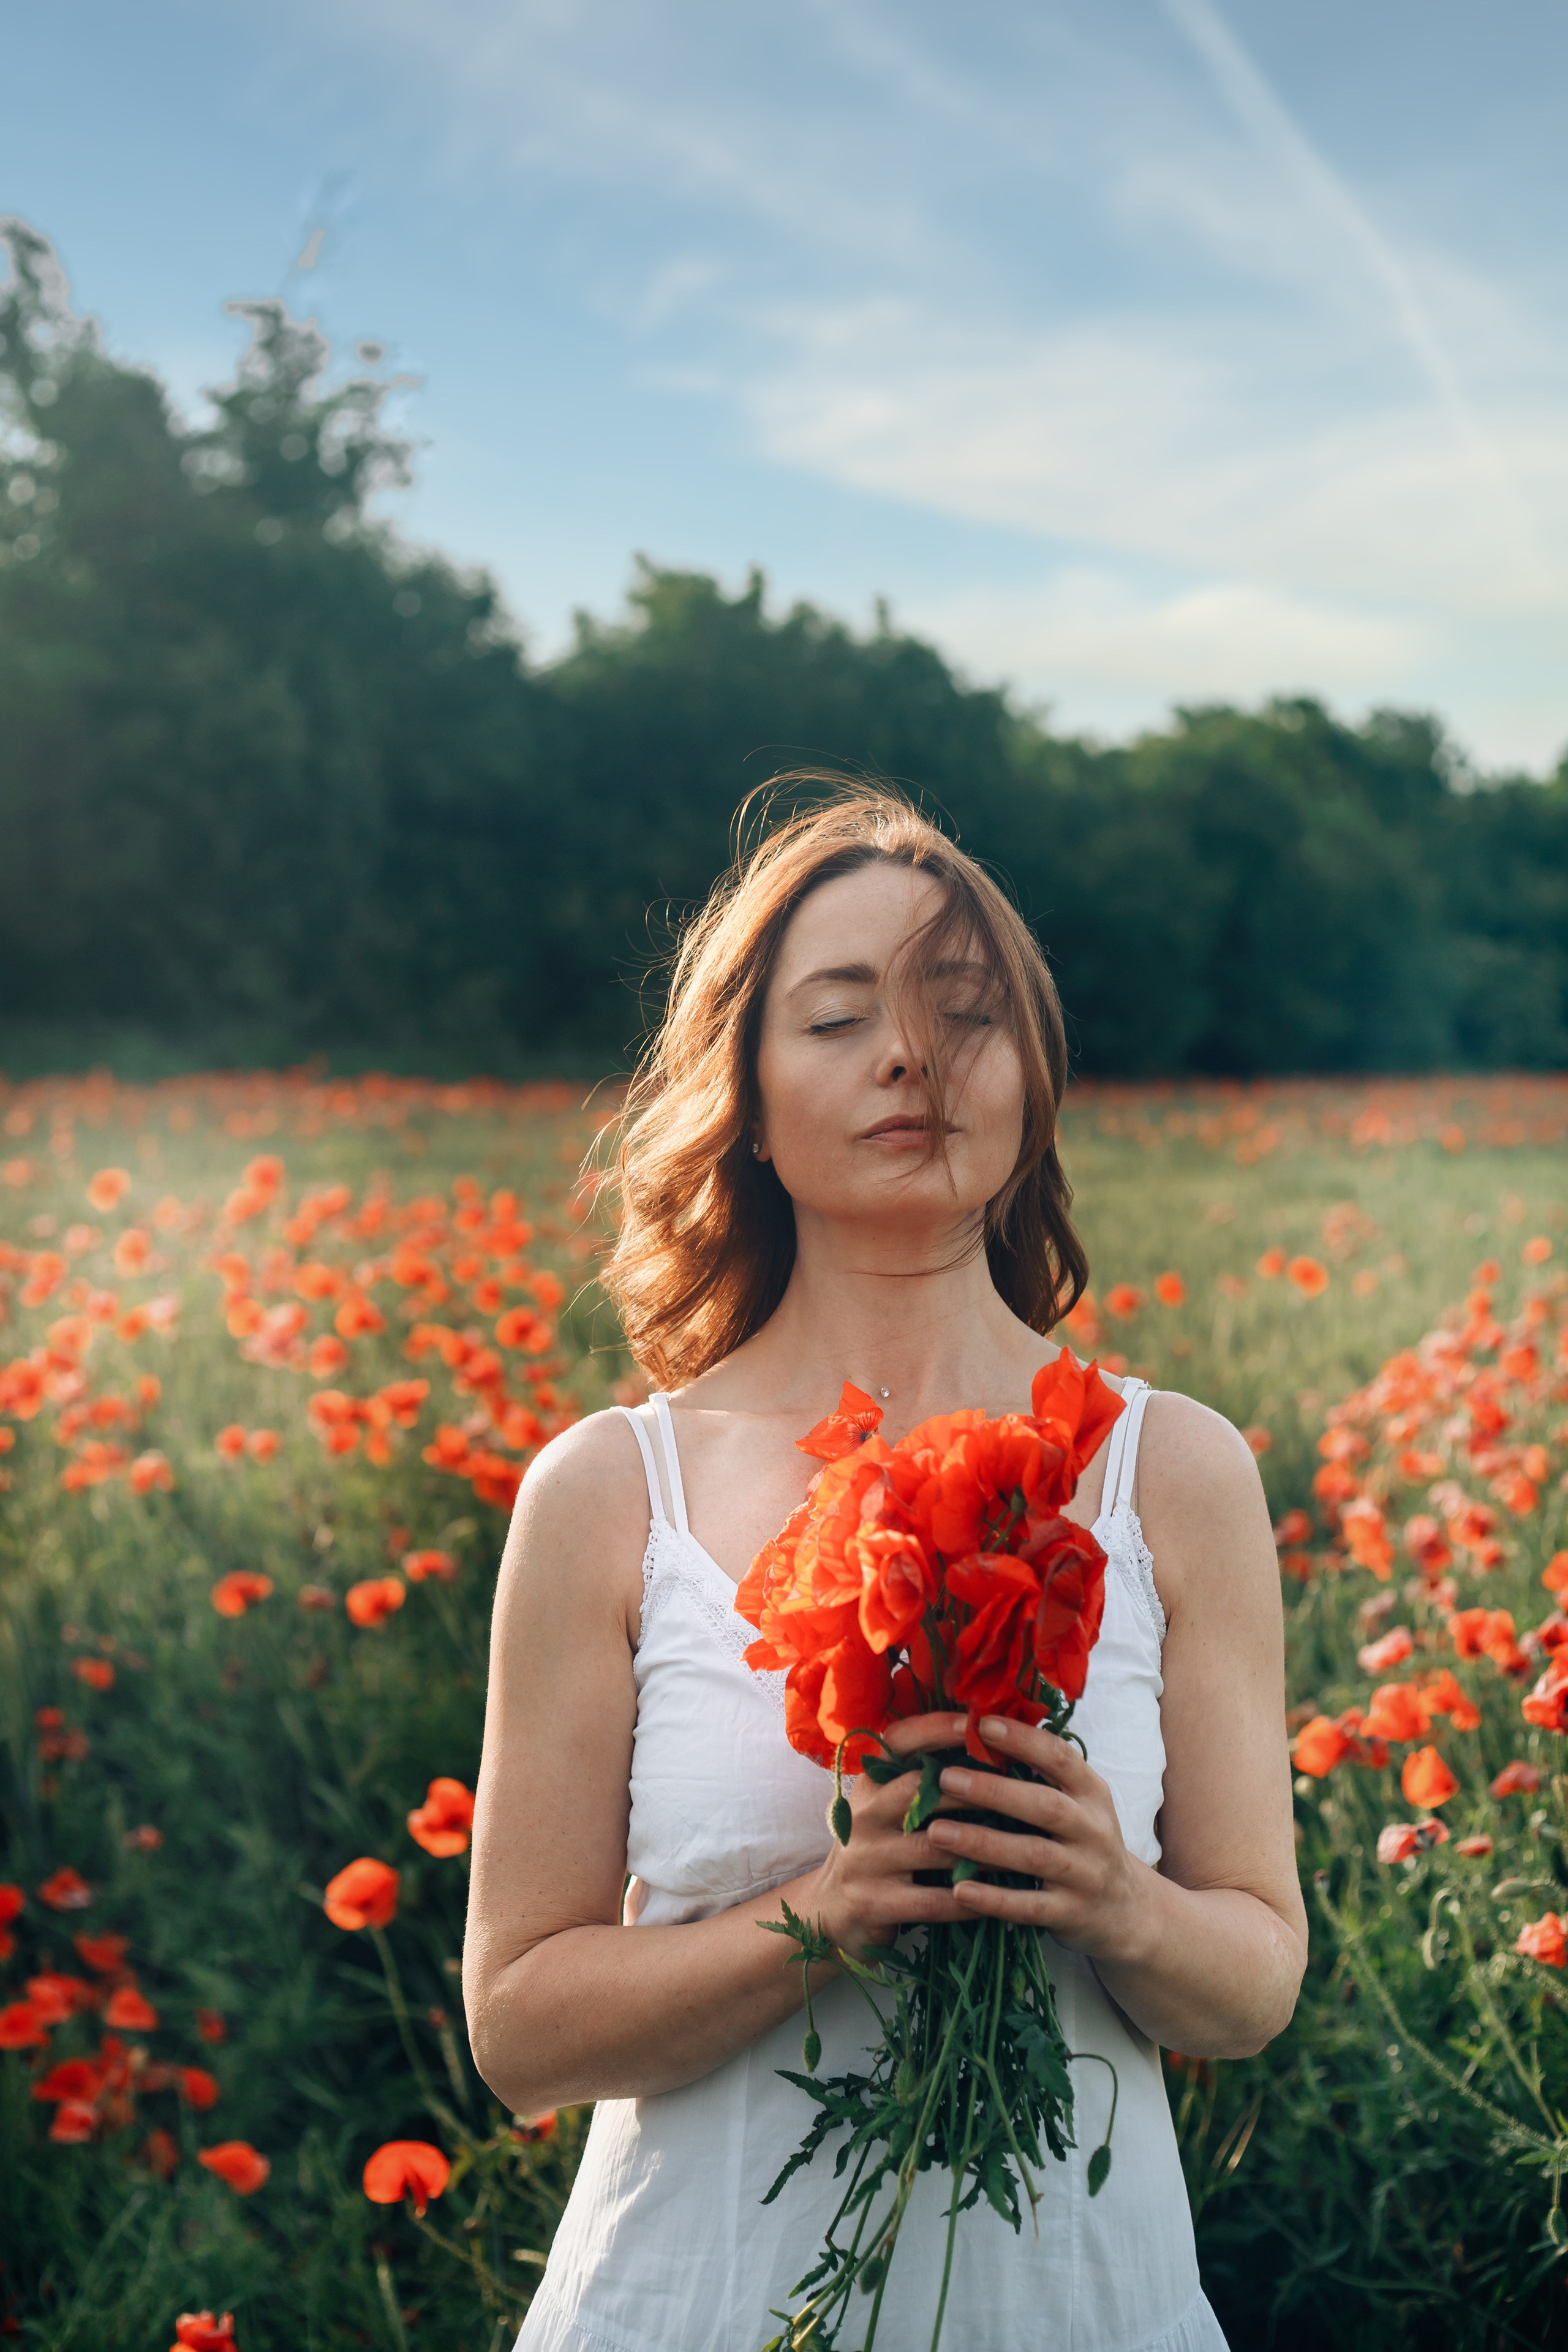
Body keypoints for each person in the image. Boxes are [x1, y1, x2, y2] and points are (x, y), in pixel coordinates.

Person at [464, 787, 1307, 2352]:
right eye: (839, 1017)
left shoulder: (1172, 1470)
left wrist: (1115, 1901)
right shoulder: (607, 1490)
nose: (909, 1057)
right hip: (686, 2309)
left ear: (1033, 1076)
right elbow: (517, 2030)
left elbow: (1251, 1982)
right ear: (747, 1088)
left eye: (964, 1014)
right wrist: (824, 1911)